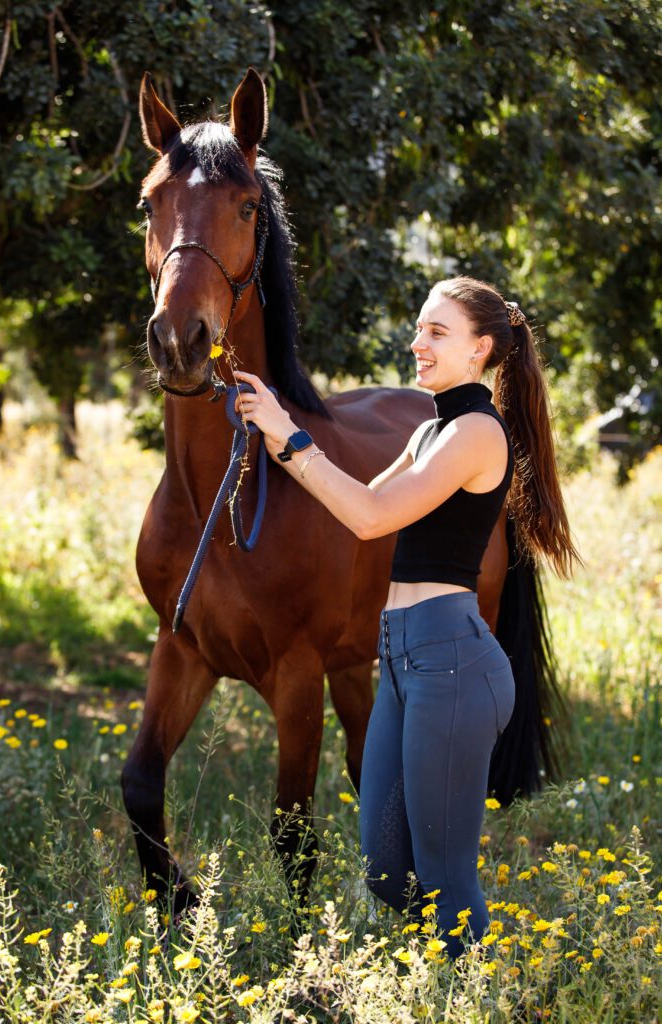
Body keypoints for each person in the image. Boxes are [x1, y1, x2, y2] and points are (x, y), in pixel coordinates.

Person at [234, 275, 578, 958]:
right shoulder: (429, 430)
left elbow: (371, 517)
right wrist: (277, 434)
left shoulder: (478, 433)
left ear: (481, 348)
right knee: (387, 875)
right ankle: (435, 973)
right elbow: (355, 502)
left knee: (447, 881)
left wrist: (289, 434)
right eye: (419, 327)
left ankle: (464, 989)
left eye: (436, 332)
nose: (416, 342)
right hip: (397, 659)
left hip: (451, 662)